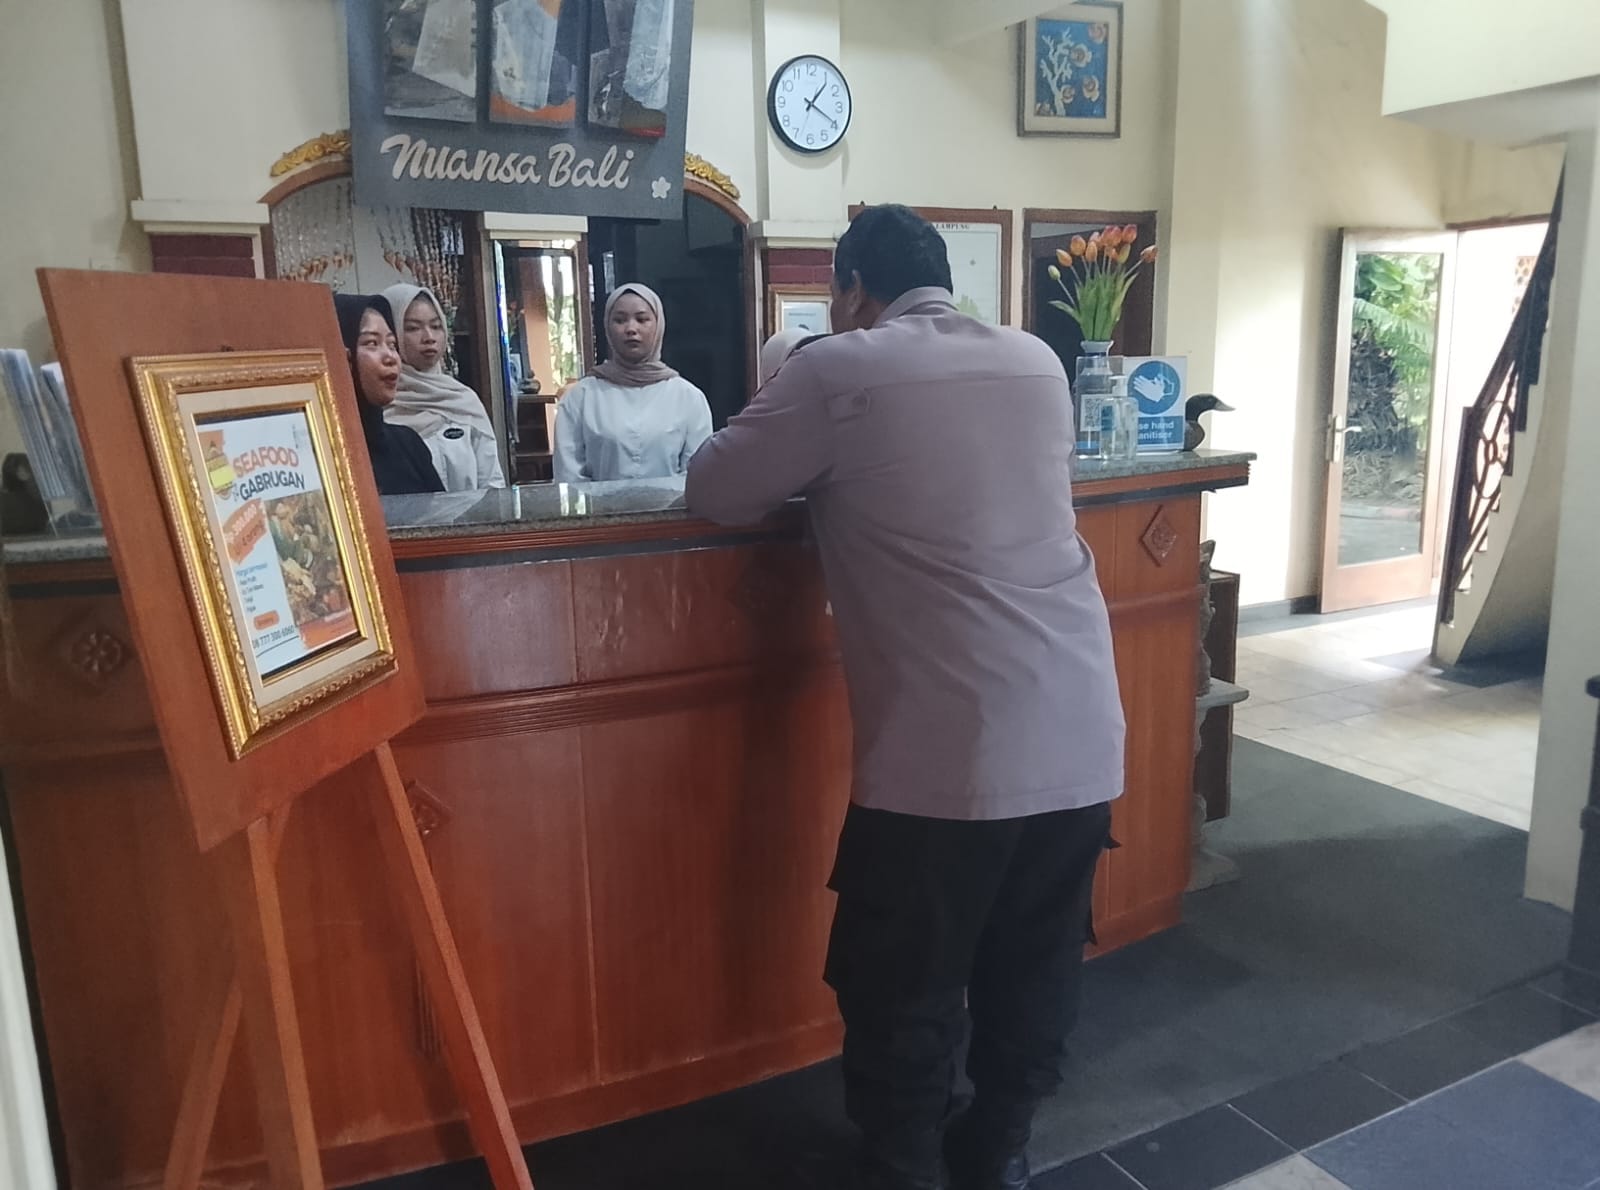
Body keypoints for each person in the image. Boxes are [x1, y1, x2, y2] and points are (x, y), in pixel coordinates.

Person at [685, 205, 1125, 1190]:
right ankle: (999, 1151)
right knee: (1034, 964)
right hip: (1081, 727)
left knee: (902, 982)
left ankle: (907, 1167)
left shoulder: (839, 367)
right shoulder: (1036, 361)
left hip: (949, 749)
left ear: (850, 291)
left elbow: (714, 486)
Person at [552, 283, 712, 483]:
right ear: (607, 327)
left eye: (642, 319)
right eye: (620, 320)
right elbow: (569, 476)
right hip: (599, 504)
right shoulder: (580, 398)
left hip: (672, 504)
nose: (631, 329)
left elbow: (697, 476)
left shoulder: (688, 398)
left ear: (658, 325)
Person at [380, 282, 507, 491]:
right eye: (413, 328)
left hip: (470, 513)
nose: (429, 337)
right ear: (391, 335)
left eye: (436, 326)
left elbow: (492, 483)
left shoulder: (463, 400)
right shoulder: (379, 404)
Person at [333, 293, 444, 497]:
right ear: (342, 355)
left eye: (392, 345)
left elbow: (443, 513)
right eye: (372, 343)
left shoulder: (408, 445)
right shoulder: (323, 454)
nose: (390, 357)